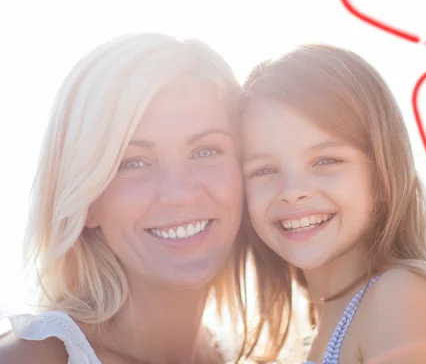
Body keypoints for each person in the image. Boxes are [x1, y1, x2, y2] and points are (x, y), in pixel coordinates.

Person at [0, 33, 262, 364]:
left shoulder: (243, 354)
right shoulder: (29, 358)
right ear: (87, 200)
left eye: (205, 151)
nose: (179, 193)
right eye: (133, 162)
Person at [240, 44, 426, 364]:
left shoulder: (400, 298)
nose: (293, 191)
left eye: (326, 160)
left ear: (382, 174)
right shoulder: (324, 322)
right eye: (264, 170)